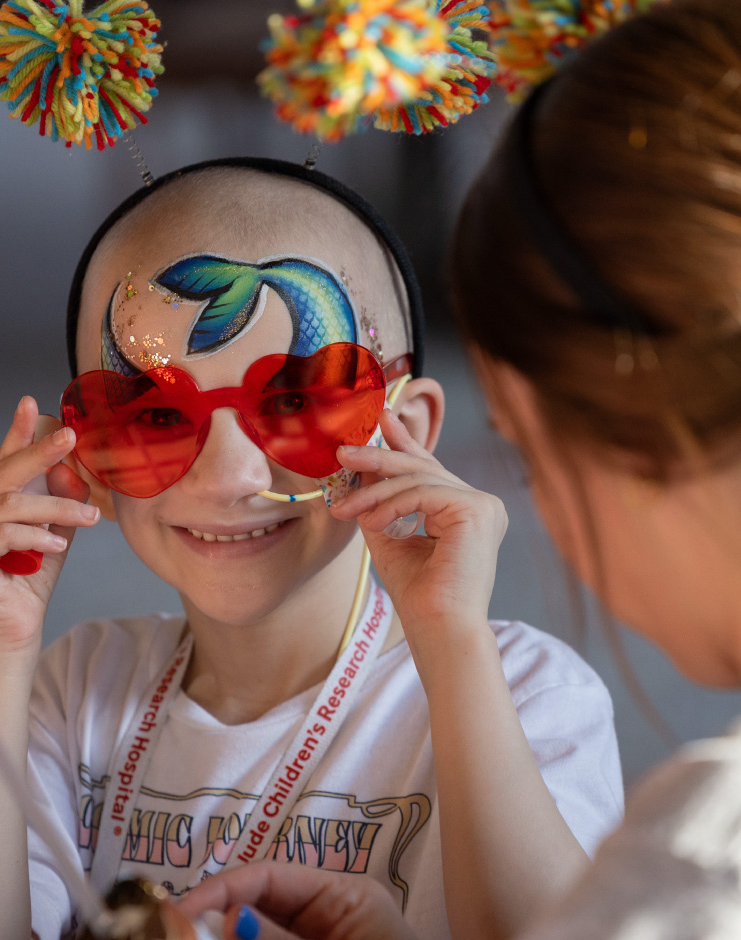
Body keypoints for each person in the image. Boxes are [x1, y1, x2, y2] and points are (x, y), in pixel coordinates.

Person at [0, 158, 623, 940]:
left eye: (295, 402)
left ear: (408, 429)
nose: (232, 477)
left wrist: (451, 641)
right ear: (85, 460)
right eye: (158, 418)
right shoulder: (77, 693)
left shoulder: (526, 694)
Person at [177, 0, 741, 937]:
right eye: (155, 419)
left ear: (641, 441)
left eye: (522, 449)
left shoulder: (698, 869)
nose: (233, 471)